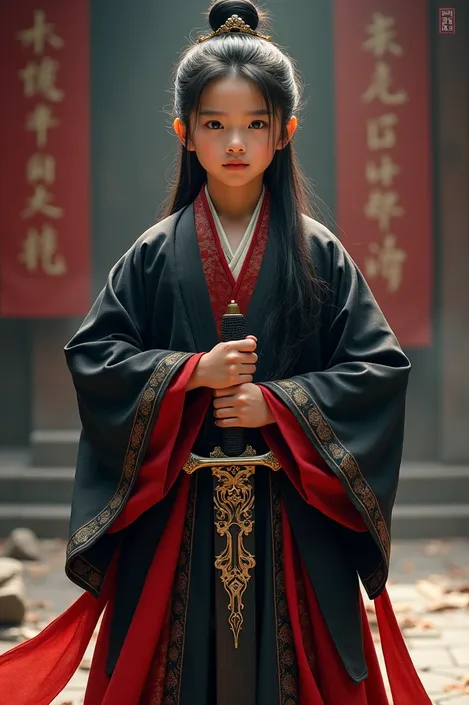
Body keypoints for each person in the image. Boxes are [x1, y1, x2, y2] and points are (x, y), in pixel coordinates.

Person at [0, 1, 433, 704]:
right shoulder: (151, 254)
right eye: (214, 124)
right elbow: (95, 355)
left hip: (292, 521)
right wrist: (188, 372)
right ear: (185, 134)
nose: (236, 141)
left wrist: (279, 404)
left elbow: (377, 369)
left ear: (285, 132)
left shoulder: (320, 254)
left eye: (255, 123)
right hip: (179, 517)